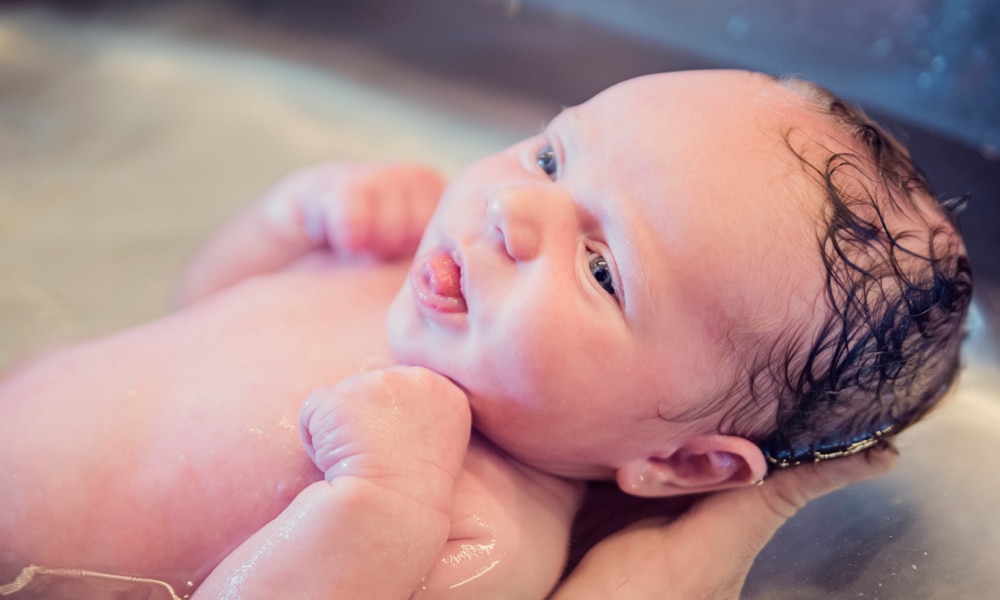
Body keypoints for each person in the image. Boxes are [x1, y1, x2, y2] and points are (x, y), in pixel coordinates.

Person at [0, 70, 971, 599]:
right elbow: (200, 310)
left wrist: (380, 504)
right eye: (552, 155)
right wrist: (291, 220)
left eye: (600, 269)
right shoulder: (411, 272)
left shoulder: (484, 529)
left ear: (677, 461)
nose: (514, 210)